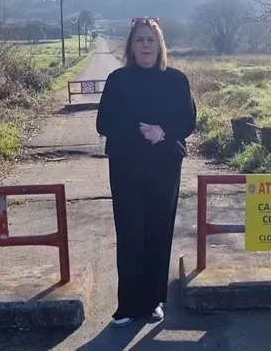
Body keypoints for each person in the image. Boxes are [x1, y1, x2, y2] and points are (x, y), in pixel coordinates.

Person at [95, 17, 197, 327]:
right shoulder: (118, 80)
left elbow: (188, 120)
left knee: (157, 231)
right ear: (131, 46)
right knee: (130, 233)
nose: (146, 45)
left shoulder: (176, 80)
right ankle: (127, 304)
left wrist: (163, 131)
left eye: (151, 40)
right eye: (139, 40)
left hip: (164, 165)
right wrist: (141, 131)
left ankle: (153, 301)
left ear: (160, 45)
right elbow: (104, 122)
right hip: (125, 165)